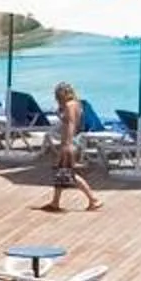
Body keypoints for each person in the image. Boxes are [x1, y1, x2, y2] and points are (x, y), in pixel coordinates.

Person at [44, 82, 101, 212]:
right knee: (61, 173)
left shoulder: (70, 106)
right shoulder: (76, 104)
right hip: (72, 142)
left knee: (70, 174)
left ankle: (93, 200)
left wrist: (67, 145)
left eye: (57, 95)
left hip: (70, 143)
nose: (56, 98)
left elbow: (70, 125)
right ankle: (55, 202)